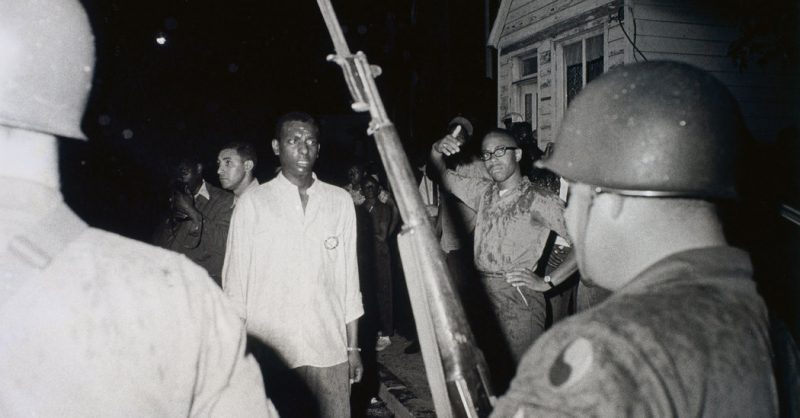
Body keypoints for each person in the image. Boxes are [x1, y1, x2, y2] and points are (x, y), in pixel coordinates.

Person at [0, 1, 276, 416]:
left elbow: (223, 247)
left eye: (221, 163)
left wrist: (194, 218)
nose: (186, 174)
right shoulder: (171, 289)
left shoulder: (223, 206)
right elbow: (163, 247)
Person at [491, 61, 781, 416]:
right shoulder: (771, 330)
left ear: (605, 195)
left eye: (574, 195)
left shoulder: (606, 349)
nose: (568, 213)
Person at [223, 112, 364, 418]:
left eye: (310, 141)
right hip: (272, 353)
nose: (303, 148)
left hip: (328, 348)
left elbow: (349, 282)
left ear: (319, 148)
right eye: (294, 140)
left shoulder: (338, 201)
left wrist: (353, 348)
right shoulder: (254, 203)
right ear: (276, 146)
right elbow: (235, 286)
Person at [429, 127, 574, 390]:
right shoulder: (484, 193)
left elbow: (586, 242)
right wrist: (437, 149)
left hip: (518, 300)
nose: (492, 159)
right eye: (486, 154)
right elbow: (441, 174)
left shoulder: (540, 199)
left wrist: (548, 282)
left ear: (517, 154)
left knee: (519, 386)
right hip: (483, 299)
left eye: (499, 152)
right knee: (484, 384)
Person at [152, 155, 234, 286]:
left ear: (199, 168)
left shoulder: (225, 200)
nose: (179, 178)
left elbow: (224, 245)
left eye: (184, 172)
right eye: (176, 174)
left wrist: (190, 210)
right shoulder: (173, 199)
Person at [357, 176, 400, 352]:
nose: (369, 189)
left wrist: (363, 235)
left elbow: (382, 235)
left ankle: (386, 333)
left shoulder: (383, 209)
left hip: (380, 256)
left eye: (372, 186)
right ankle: (373, 329)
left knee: (384, 292)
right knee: (365, 294)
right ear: (361, 190)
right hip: (363, 258)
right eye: (366, 187)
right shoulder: (359, 209)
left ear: (378, 188)